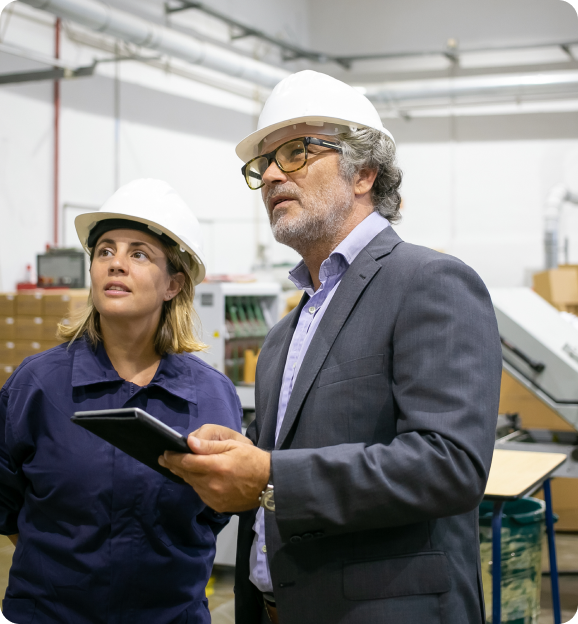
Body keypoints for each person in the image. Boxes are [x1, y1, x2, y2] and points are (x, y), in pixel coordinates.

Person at [161, 70, 502, 624]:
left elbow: (450, 465)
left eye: (295, 151)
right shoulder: (283, 336)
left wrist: (270, 475)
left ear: (364, 172)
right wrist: (234, 459)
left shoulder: (429, 282)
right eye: (263, 163)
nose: (271, 174)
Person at [0, 179, 242, 624]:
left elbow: (217, 508)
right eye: (105, 251)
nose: (116, 265)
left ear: (173, 284)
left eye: (138, 254)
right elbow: (5, 500)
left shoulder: (210, 394)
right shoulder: (37, 385)